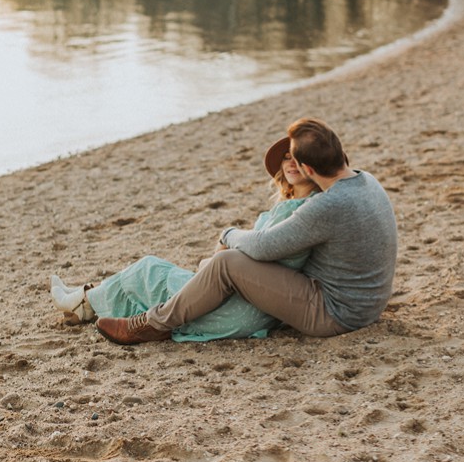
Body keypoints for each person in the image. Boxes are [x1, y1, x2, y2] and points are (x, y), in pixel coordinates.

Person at [88, 117, 397, 345]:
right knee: (224, 266)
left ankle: (152, 325)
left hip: (335, 314)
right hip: (366, 304)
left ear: (308, 171)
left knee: (226, 263)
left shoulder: (327, 206)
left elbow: (263, 247)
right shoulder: (365, 180)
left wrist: (228, 233)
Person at [50, 134, 318, 341]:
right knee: (161, 274)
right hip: (251, 303)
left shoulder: (302, 212)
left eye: (297, 157)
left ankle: (84, 302)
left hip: (240, 310)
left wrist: (223, 248)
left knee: (149, 269)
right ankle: (86, 300)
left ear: (314, 165)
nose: (290, 163)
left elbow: (261, 252)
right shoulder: (296, 207)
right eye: (286, 157)